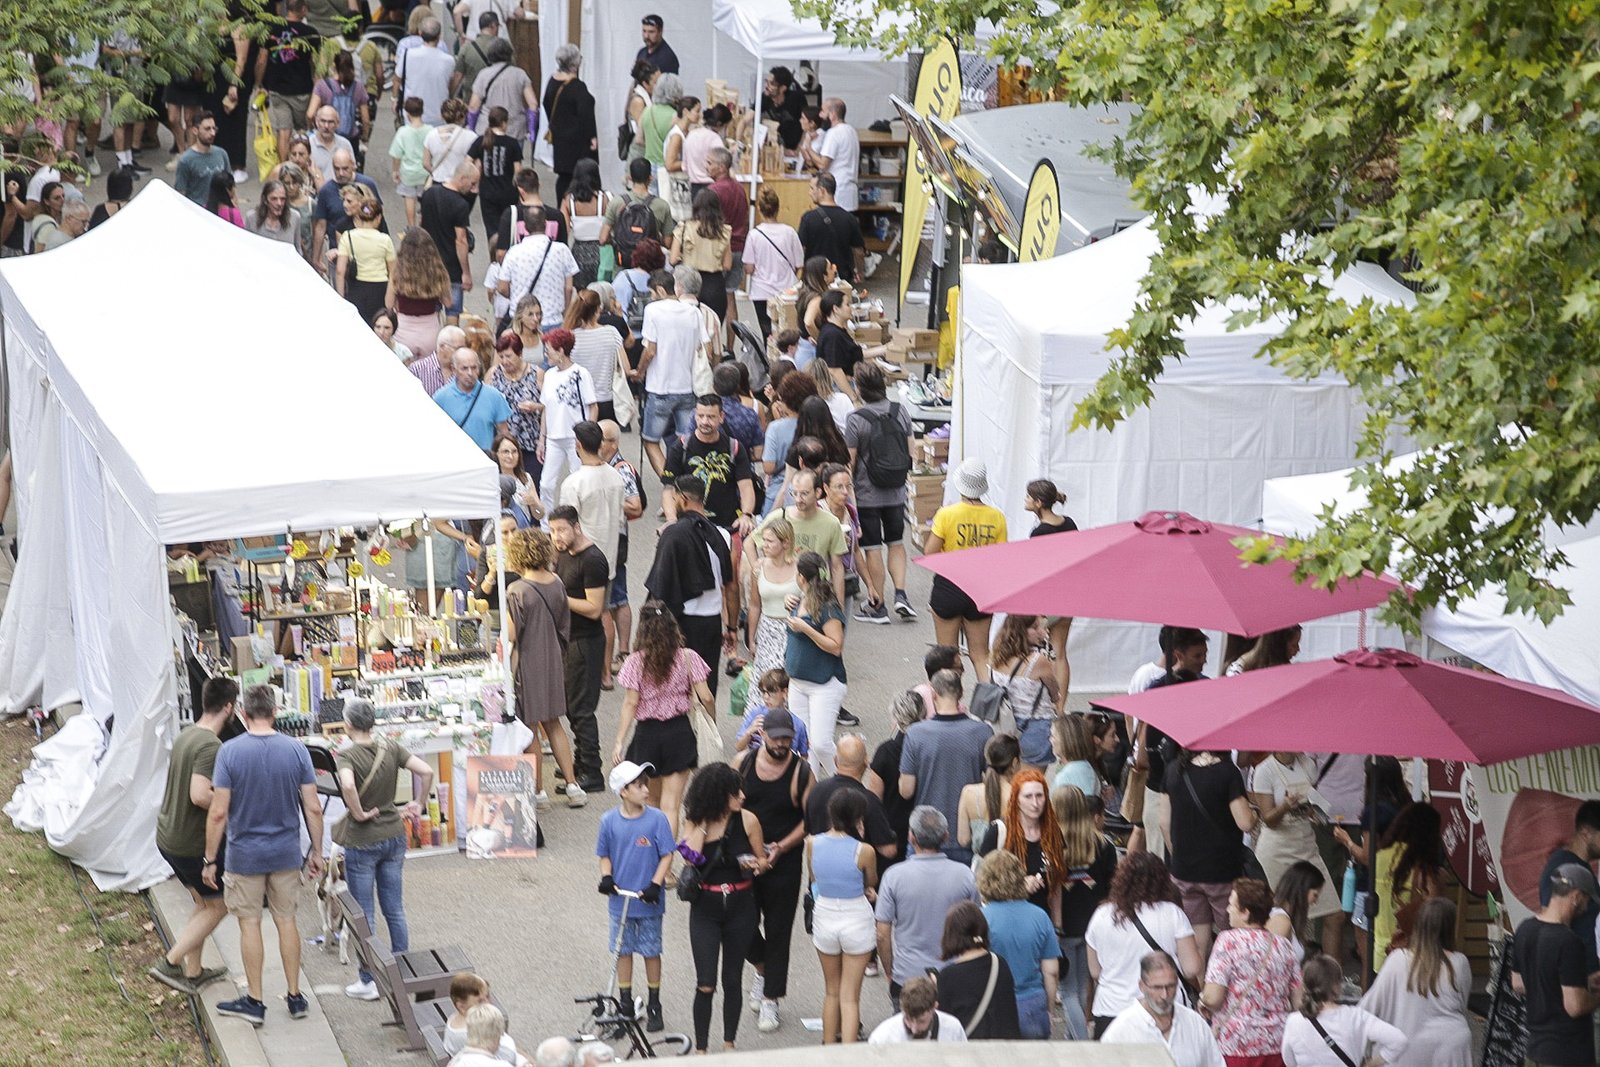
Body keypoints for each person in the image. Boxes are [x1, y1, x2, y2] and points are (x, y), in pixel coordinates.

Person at [204, 685, 322, 1026]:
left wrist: (210, 858)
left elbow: (218, 812)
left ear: (243, 713)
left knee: (250, 924)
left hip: (245, 855)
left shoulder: (229, 752)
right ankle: (295, 995)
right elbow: (313, 807)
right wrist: (315, 849)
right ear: (274, 712)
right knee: (287, 921)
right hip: (285, 852)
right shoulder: (297, 750)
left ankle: (255, 1000)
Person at [332, 697, 435, 1001]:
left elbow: (348, 786)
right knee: (395, 908)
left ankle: (370, 979)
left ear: (348, 724)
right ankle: (401, 969)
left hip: (363, 839)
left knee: (365, 913)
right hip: (393, 833)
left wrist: (360, 813)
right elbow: (426, 771)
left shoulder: (347, 755)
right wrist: (418, 802)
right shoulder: (392, 747)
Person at [149, 678, 238, 994]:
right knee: (219, 906)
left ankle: (195, 970)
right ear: (229, 707)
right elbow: (200, 795)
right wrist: (230, 800)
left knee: (202, 902)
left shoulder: (187, 734)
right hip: (190, 843)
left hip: (168, 837)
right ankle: (170, 963)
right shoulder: (210, 746)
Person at [730, 705, 813, 1035]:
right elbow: (727, 806)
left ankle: (770, 999)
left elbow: (811, 818)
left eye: (787, 739)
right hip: (746, 860)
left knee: (778, 930)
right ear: (762, 735)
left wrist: (782, 847)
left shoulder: (802, 772)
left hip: (783, 861)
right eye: (776, 738)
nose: (781, 744)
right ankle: (762, 969)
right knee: (741, 925)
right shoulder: (743, 764)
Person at [679, 762, 769, 1052]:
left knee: (732, 979)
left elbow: (762, 859)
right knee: (706, 982)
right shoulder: (695, 821)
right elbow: (689, 858)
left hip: (741, 906)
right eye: (735, 792)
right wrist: (705, 824)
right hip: (706, 907)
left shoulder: (748, 820)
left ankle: (729, 1043)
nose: (742, 796)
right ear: (719, 795)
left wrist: (759, 864)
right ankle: (701, 1049)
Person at [612, 603, 713, 837]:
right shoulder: (688, 658)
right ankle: (667, 871)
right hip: (679, 733)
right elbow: (706, 696)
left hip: (647, 735)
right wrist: (710, 719)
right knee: (671, 806)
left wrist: (619, 741)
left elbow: (630, 703)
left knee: (652, 804)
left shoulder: (636, 662)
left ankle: (653, 862)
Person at [503, 528, 585, 807]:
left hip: (527, 663)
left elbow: (512, 635)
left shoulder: (517, 590)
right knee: (555, 724)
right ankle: (573, 785)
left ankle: (538, 791)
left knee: (530, 727)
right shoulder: (557, 582)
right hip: (553, 659)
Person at [1085, 851, 1204, 1036]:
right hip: (1162, 1010)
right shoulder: (1172, 914)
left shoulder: (1101, 915)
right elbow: (1191, 968)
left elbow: (1095, 972)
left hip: (1111, 1010)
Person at [875, 805, 981, 1009]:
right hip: (954, 974)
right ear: (945, 836)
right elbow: (976, 925)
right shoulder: (965, 875)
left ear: (911, 837)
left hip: (907, 974)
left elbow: (882, 933)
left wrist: (890, 971)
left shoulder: (893, 876)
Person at [596, 760, 674, 1034]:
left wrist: (655, 883)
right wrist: (607, 877)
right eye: (639, 785)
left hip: (648, 900)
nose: (645, 788)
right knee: (623, 950)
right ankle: (625, 1001)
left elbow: (666, 854)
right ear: (623, 791)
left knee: (652, 951)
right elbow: (604, 854)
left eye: (645, 783)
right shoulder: (609, 821)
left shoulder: (657, 819)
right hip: (621, 901)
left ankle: (654, 1003)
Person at [645, 477, 737, 696]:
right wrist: (732, 626)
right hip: (712, 623)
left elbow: (661, 583)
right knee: (706, 688)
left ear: (684, 499)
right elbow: (731, 586)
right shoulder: (723, 535)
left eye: (675, 498)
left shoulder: (673, 534)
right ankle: (707, 730)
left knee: (676, 689)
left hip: (681, 624)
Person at [1358, 896, 1472, 1067]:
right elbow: (1462, 1004)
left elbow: (1369, 1006)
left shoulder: (1398, 960)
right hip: (1452, 1047)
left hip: (1407, 1049)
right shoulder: (1460, 962)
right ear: (1450, 927)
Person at [1201, 878, 1304, 1065]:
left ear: (1246, 913)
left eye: (1232, 905)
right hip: (1277, 1044)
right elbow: (1299, 1001)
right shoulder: (1283, 946)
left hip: (1236, 1044)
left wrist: (1202, 1000)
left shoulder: (1228, 941)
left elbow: (1213, 998)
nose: (1227, 909)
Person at [804, 789, 880, 1044]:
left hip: (825, 914)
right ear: (857, 817)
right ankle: (848, 1053)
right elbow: (871, 881)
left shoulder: (812, 843)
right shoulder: (864, 850)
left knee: (831, 991)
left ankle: (828, 1048)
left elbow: (814, 877)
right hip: (856, 917)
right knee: (850, 996)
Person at [841, 363, 915, 622]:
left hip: (867, 494)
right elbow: (911, 453)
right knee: (896, 543)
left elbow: (848, 462)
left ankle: (878, 604)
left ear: (859, 388)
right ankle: (901, 595)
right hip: (896, 492)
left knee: (873, 548)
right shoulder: (900, 411)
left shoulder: (856, 419)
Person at [1167, 746, 1258, 959]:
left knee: (1198, 940)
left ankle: (1201, 990)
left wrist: (1179, 854)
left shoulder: (1173, 769)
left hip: (1184, 870)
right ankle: (1232, 984)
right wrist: (1254, 814)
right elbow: (1244, 822)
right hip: (1221, 871)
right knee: (1233, 934)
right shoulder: (1228, 772)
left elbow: (1164, 821)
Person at [899, 669, 992, 862]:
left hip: (924, 833)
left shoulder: (916, 733)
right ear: (961, 693)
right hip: (966, 833)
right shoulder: (983, 732)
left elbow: (906, 790)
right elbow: (993, 785)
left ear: (933, 694)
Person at [1338, 801, 1443, 972]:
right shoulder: (1425, 870)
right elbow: (1435, 918)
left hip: (1383, 952)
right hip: (1416, 956)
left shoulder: (1379, 858)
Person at [926, 458, 1007, 679]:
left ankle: (950, 705)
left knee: (946, 654)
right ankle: (989, 707)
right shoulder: (997, 517)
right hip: (980, 588)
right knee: (981, 655)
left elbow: (930, 552)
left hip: (949, 584)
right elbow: (1000, 558)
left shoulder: (946, 514)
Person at [1512, 862, 1599, 1067]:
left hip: (1534, 1052)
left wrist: (1581, 981)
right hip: (1568, 1055)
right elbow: (1575, 1006)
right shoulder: (1568, 941)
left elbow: (1518, 982)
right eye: (1586, 900)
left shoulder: (1525, 930)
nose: (1586, 907)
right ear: (1576, 896)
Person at [550, 506, 609, 795]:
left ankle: (592, 771)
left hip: (586, 642)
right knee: (571, 706)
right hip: (567, 639)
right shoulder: (562, 553)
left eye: (561, 530)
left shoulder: (593, 560)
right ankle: (579, 761)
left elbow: (595, 608)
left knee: (582, 709)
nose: (556, 537)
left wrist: (559, 595)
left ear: (576, 527)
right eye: (552, 531)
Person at [1055, 784, 1118, 1039]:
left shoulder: (1052, 846)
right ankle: (1075, 1041)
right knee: (1083, 988)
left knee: (1068, 990)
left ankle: (1080, 1043)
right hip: (1096, 924)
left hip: (1065, 925)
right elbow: (1113, 886)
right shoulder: (1104, 844)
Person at [977, 850, 1060, 1039]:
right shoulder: (1040, 916)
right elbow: (1051, 971)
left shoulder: (981, 919)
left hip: (993, 1005)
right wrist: (1049, 1011)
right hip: (1032, 1005)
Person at [637, 265, 710, 474]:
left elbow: (650, 350)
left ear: (660, 290)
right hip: (687, 388)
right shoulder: (693, 312)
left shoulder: (653, 310)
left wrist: (639, 372)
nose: (651, 298)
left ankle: (670, 481)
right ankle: (684, 481)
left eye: (652, 293)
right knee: (685, 441)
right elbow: (706, 347)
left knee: (650, 440)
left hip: (660, 388)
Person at [784, 551, 849, 777]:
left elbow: (835, 646)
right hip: (797, 683)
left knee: (821, 743)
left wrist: (807, 629)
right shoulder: (800, 599)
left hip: (825, 684)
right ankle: (810, 792)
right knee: (803, 744)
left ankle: (844, 779)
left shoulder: (828, 607)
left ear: (802, 577)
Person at [1101, 951, 1226, 1067]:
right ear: (1142, 986)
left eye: (1170, 987)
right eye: (1157, 988)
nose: (1164, 995)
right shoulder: (1120, 1032)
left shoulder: (1195, 1023)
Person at [1281, 955, 1406, 1067]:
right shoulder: (1356, 1017)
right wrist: (1373, 1063)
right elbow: (1399, 1040)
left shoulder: (1293, 1021)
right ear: (1337, 986)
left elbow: (1289, 1060)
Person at [662, 395, 757, 535]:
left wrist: (746, 515)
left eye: (711, 417)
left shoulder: (734, 448)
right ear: (695, 416)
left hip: (726, 527)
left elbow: (746, 486)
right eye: (701, 416)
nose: (705, 421)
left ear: (721, 417)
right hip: (690, 528)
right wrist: (671, 520)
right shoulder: (680, 447)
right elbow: (669, 489)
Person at [598, 420, 644, 686]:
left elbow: (635, 507)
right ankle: (623, 654)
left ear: (613, 443)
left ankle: (623, 653)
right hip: (612, 540)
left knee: (616, 600)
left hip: (615, 540)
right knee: (618, 598)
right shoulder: (606, 466)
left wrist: (608, 499)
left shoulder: (620, 469)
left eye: (601, 438)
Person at [935, 902, 1022, 1039]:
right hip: (1006, 1049)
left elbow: (945, 1024)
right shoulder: (1000, 963)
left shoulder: (948, 976)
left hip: (972, 1051)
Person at [537, 330, 599, 514]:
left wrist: (588, 436)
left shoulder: (581, 373)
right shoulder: (549, 375)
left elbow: (593, 406)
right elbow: (546, 408)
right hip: (554, 438)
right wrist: (542, 439)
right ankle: (546, 525)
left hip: (576, 439)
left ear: (561, 351)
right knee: (546, 484)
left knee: (578, 482)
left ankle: (578, 519)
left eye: (549, 350)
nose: (546, 354)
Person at [743, 517, 799, 715]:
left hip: (792, 631)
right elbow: (755, 605)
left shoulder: (799, 569)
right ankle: (759, 731)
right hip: (767, 631)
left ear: (785, 543)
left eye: (769, 541)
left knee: (788, 681)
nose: (764, 545)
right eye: (763, 540)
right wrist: (751, 638)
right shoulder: (758, 569)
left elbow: (812, 600)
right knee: (766, 681)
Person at [1540, 799, 1600, 979]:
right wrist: (1572, 977)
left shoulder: (1582, 867)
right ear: (1586, 833)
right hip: (1577, 981)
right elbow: (1552, 923)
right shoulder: (1562, 865)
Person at [257, 0, 322, 163]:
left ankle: (285, 168)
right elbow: (317, 66)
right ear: (303, 10)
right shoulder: (311, 33)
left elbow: (262, 60)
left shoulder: (272, 29)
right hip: (302, 90)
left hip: (277, 89)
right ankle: (302, 165)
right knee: (303, 131)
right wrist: (318, 91)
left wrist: (259, 84)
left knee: (283, 132)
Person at [501, 206, 580, 331]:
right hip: (552, 318)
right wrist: (565, 313)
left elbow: (502, 287)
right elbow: (569, 288)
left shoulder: (513, 252)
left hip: (522, 321)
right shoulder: (561, 250)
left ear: (525, 227)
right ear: (546, 224)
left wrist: (517, 294)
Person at [421, 160, 479, 324]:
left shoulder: (429, 194)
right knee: (452, 311)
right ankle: (452, 346)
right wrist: (466, 273)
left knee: (431, 313)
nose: (473, 189)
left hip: (429, 265)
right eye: (472, 183)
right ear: (462, 178)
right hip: (451, 269)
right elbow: (461, 240)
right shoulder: (460, 205)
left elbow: (422, 227)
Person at [745, 187, 804, 340]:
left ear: (759, 209)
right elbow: (799, 263)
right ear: (778, 208)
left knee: (768, 336)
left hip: (762, 292)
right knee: (788, 334)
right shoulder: (790, 232)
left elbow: (749, 268)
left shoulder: (754, 235)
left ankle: (769, 362)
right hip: (787, 291)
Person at [542, 43, 598, 204]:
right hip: (578, 141)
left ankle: (562, 207)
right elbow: (585, 114)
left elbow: (546, 103)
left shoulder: (552, 81)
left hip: (560, 138)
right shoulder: (578, 87)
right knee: (583, 175)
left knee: (564, 177)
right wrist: (592, 137)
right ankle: (580, 207)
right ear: (574, 64)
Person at [670, 190, 733, 326]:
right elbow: (727, 264)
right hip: (715, 284)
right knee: (712, 330)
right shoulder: (724, 231)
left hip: (688, 283)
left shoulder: (684, 227)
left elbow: (673, 259)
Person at [490, 335, 545, 492]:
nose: (505, 361)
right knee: (507, 487)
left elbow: (549, 405)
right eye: (501, 357)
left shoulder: (536, 373)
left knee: (532, 484)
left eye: (508, 356)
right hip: (505, 442)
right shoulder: (494, 374)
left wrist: (535, 406)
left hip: (530, 441)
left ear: (519, 353)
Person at [390, 230, 454, 363]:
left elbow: (388, 303)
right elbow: (448, 303)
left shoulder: (397, 272)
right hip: (430, 330)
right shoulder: (439, 272)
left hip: (403, 330)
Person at [563, 290, 626, 424]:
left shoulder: (571, 337)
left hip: (580, 400)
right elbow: (625, 367)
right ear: (598, 309)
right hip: (607, 399)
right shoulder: (611, 332)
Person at [434, 344, 513, 451]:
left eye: (474, 367)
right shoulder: (440, 398)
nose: (470, 373)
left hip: (485, 461)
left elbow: (504, 433)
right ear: (454, 370)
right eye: (464, 368)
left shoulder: (494, 396)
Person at [470, 106, 525, 251]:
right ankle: (509, 258)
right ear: (504, 123)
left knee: (492, 230)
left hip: (487, 193)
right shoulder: (512, 143)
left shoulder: (481, 141)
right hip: (508, 192)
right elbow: (518, 171)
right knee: (509, 228)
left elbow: (468, 162)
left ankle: (494, 262)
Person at [335, 199, 395, 326]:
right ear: (378, 217)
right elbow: (393, 273)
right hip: (379, 289)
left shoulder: (348, 236)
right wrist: (389, 302)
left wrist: (341, 298)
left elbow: (340, 271)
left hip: (356, 287)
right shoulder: (385, 240)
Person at [797, 175, 865, 287]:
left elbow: (801, 250)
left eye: (812, 188)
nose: (809, 192)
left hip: (814, 278)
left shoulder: (808, 218)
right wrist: (860, 272)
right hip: (841, 278)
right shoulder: (849, 218)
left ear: (822, 191)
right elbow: (859, 252)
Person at [958, 733, 1019, 854]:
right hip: (1012, 864)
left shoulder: (968, 792)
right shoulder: (1018, 795)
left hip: (981, 868)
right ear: (1015, 762)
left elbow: (963, 840)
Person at [442, 973, 525, 1062]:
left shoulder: (464, 1020)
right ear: (462, 1007)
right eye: (480, 1001)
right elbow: (505, 1057)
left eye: (488, 996)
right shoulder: (472, 1034)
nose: (487, 1003)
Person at [868, 975, 967, 1044]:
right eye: (908, 1019)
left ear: (934, 1007)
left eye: (921, 1021)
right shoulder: (883, 1037)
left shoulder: (953, 1028)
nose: (914, 1029)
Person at [802, 98, 860, 211]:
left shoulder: (833, 133)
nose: (820, 115)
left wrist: (808, 147)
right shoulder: (851, 130)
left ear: (832, 114)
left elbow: (823, 164)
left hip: (838, 190)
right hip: (850, 191)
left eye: (823, 111)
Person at [393, 16, 453, 125]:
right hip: (438, 116)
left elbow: (397, 79)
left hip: (412, 114)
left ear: (420, 33)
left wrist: (395, 99)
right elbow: (450, 86)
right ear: (439, 35)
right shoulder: (448, 61)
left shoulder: (407, 55)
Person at [1267, 861, 1326, 964]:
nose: (1315, 901)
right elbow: (1269, 964)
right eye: (1315, 895)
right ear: (1303, 889)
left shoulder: (1286, 918)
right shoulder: (1281, 921)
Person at [174, 111, 229, 205]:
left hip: (219, 212)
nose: (212, 133)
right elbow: (180, 194)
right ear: (195, 130)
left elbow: (230, 186)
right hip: (198, 212)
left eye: (214, 128)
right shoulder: (186, 160)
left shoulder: (222, 154)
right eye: (207, 129)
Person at [425, 97, 478, 191]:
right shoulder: (471, 137)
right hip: (461, 183)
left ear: (442, 116)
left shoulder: (431, 134)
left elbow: (426, 163)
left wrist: (435, 171)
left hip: (438, 181)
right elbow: (476, 164)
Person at [453, 11, 503, 100]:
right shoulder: (504, 47)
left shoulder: (467, 48)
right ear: (493, 26)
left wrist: (450, 95)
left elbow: (457, 76)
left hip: (471, 99)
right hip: (496, 102)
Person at [248, 179, 301, 253]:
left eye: (282, 199)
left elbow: (298, 250)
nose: (279, 203)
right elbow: (247, 248)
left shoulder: (294, 217)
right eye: (274, 199)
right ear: (265, 200)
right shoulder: (252, 219)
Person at [760, 67, 806, 151]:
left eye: (772, 83)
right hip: (774, 148)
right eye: (766, 81)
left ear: (783, 88)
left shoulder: (797, 99)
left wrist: (798, 150)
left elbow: (808, 127)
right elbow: (746, 119)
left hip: (794, 150)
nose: (767, 86)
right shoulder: (764, 97)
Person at [306, 103, 356, 180]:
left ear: (338, 123)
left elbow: (353, 171)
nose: (326, 126)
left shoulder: (345, 144)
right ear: (316, 122)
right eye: (323, 121)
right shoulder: (308, 144)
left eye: (331, 122)